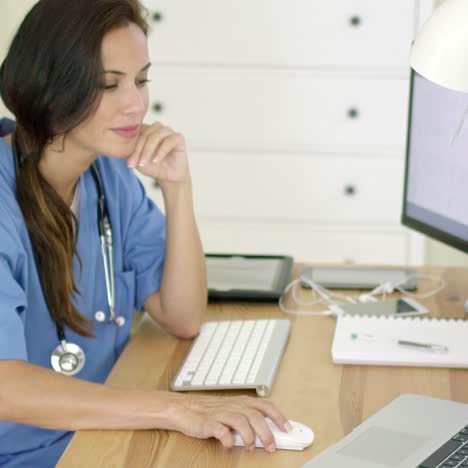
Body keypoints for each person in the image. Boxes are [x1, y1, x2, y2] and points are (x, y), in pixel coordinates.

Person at [0, 0, 290, 466]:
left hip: (98, 433)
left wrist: (178, 187)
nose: (135, 103)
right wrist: (177, 409)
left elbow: (182, 316)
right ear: (49, 89)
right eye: (108, 85)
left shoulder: (109, 176)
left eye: (140, 79)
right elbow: (4, 387)